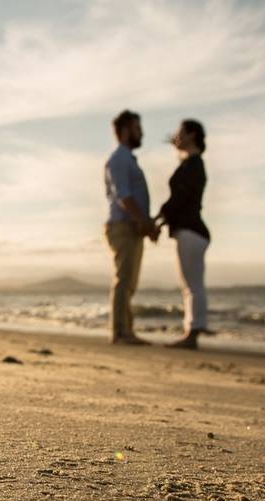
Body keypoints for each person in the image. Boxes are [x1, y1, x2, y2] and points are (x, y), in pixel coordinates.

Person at [104, 109, 158, 345]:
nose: (141, 133)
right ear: (125, 130)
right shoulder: (119, 160)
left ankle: (126, 329)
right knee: (124, 279)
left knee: (129, 281)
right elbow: (123, 196)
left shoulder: (127, 159)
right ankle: (120, 331)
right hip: (123, 226)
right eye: (138, 128)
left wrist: (144, 222)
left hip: (132, 226)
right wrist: (143, 220)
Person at [155, 119, 209, 349]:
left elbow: (180, 199)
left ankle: (193, 331)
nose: (176, 136)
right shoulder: (189, 164)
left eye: (180, 132)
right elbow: (178, 199)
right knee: (190, 283)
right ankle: (192, 330)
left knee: (192, 284)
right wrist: (159, 220)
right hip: (187, 230)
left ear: (192, 134)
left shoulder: (194, 165)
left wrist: (157, 221)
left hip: (191, 231)